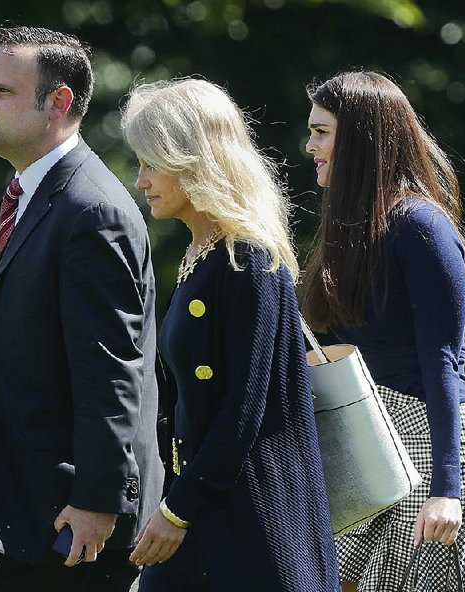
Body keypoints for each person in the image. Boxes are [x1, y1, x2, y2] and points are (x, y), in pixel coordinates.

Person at [0, 25, 163, 592]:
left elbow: (113, 374)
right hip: (24, 508)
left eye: (2, 90)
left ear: (59, 102)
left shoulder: (92, 210)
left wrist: (97, 499)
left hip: (75, 525)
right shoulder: (30, 192)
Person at [301, 71, 465, 592]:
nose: (310, 145)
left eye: (321, 131)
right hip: (368, 454)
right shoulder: (350, 229)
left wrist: (447, 490)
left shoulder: (421, 227)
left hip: (431, 460)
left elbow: (445, 364)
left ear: (359, 137)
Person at [120, 78, 340, 592]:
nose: (140, 179)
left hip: (256, 527)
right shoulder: (201, 256)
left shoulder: (248, 259)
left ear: (193, 160)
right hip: (208, 513)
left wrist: (177, 510)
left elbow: (245, 408)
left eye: (152, 163)